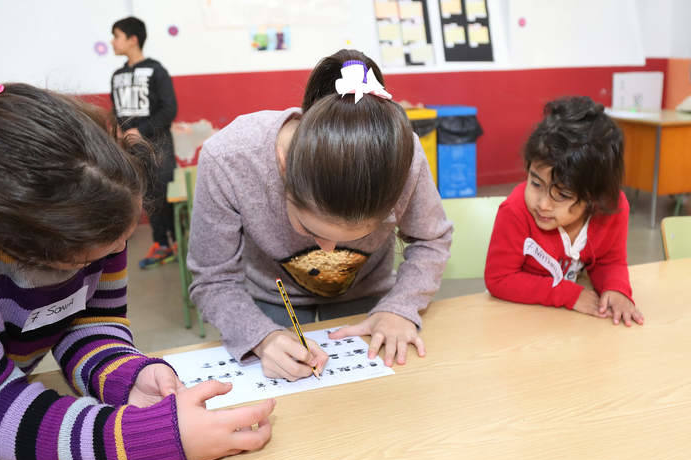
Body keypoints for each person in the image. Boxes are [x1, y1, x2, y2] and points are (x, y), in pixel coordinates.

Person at [0, 68, 274, 460]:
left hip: (5, 396)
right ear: (15, 248)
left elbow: (91, 318)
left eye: (121, 243)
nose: (113, 254)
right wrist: (143, 441)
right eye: (91, 257)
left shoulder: (97, 205)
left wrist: (127, 376)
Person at [187, 49, 453, 381]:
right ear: (284, 168)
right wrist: (260, 336)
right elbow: (213, 278)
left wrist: (400, 306)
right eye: (310, 229)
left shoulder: (402, 158)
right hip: (268, 301)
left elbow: (431, 238)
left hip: (369, 300)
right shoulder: (231, 158)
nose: (327, 251)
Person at [484, 96, 644, 327]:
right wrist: (569, 294)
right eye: (536, 183)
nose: (543, 204)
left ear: (594, 197)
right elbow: (499, 279)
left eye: (562, 195)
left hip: (571, 327)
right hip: (517, 319)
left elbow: (609, 260)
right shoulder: (515, 211)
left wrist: (616, 289)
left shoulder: (612, 210)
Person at [110, 16, 179, 269]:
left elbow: (169, 109)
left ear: (132, 39)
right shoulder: (117, 75)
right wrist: (119, 131)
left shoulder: (156, 71)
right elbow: (117, 110)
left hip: (159, 147)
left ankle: (175, 243)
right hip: (131, 149)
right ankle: (162, 244)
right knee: (146, 195)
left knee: (164, 195)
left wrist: (141, 130)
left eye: (116, 36)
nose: (113, 41)